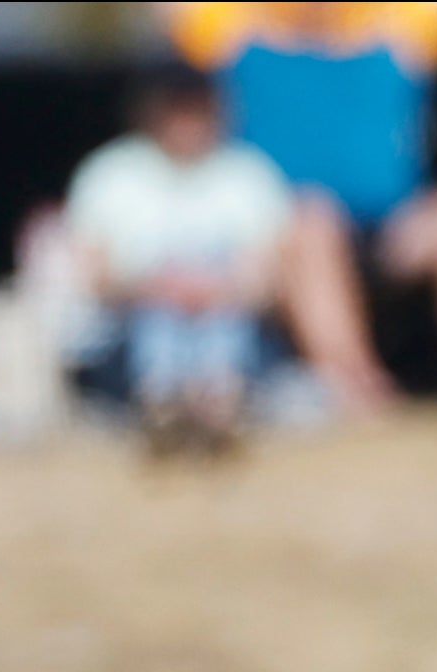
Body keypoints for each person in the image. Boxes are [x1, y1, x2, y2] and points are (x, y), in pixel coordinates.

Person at [165, 1, 437, 421]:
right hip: (289, 238)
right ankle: (356, 389)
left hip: (394, 230)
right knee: (313, 219)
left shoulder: (401, 34)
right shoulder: (232, 35)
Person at [62, 63, 295, 450]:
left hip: (229, 323)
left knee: (222, 325)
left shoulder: (249, 173)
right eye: (176, 110)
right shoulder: (109, 173)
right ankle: (164, 408)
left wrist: (214, 291)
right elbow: (91, 276)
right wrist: (155, 288)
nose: (186, 123)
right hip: (134, 329)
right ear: (150, 112)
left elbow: (270, 280)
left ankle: (217, 408)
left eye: (197, 109)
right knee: (160, 322)